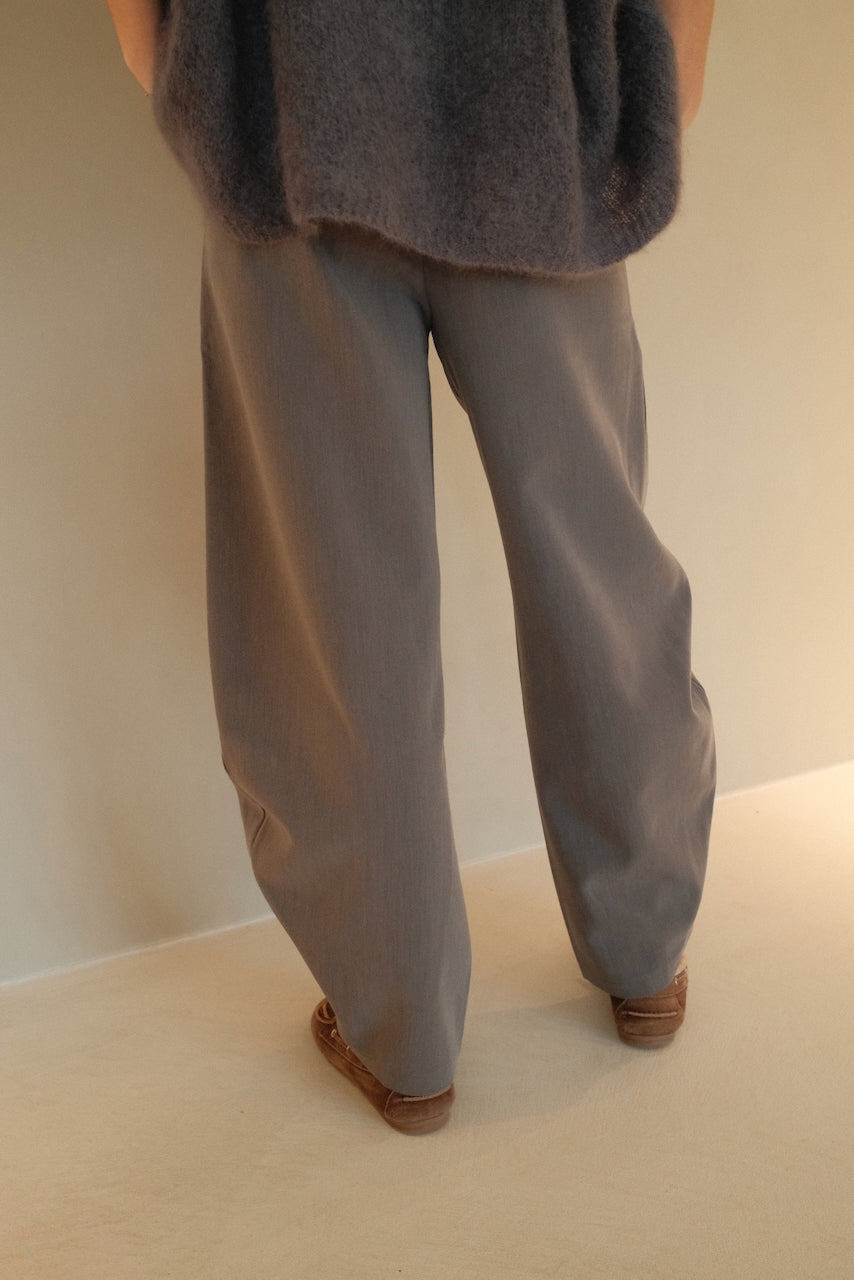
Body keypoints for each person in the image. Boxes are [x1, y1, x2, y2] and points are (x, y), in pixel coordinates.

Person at [106, 0, 717, 1135]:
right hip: (538, 105)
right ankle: (644, 951)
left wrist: (167, 51)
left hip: (287, 102)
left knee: (338, 602)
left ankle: (404, 1034)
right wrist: (672, 53)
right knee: (596, 563)